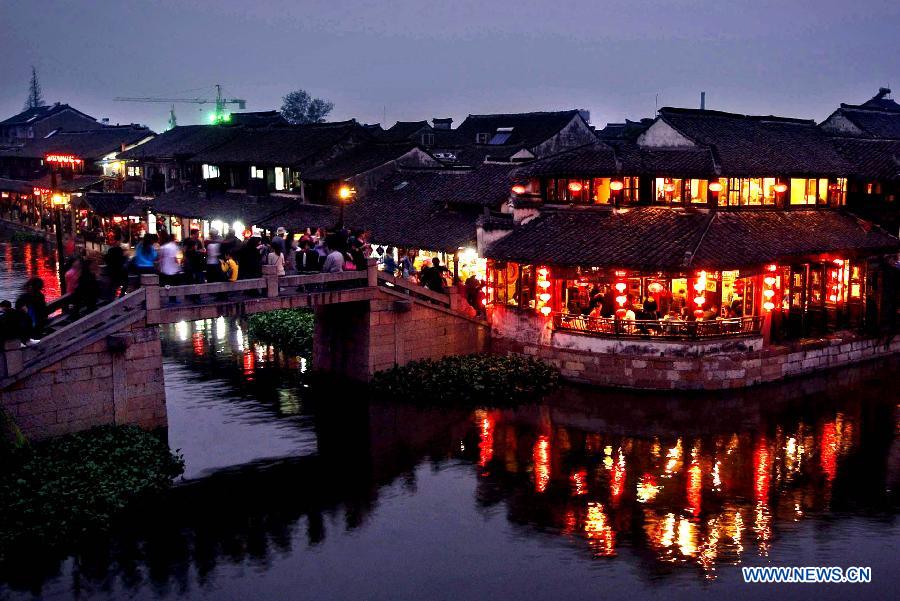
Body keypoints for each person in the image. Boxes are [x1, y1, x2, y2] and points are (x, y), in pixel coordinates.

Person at [103, 235, 129, 300]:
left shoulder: (110, 250)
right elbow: (122, 260)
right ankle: (121, 295)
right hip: (119, 270)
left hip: (112, 270)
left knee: (112, 284)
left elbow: (106, 259)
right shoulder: (119, 250)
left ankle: (110, 297)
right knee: (124, 283)